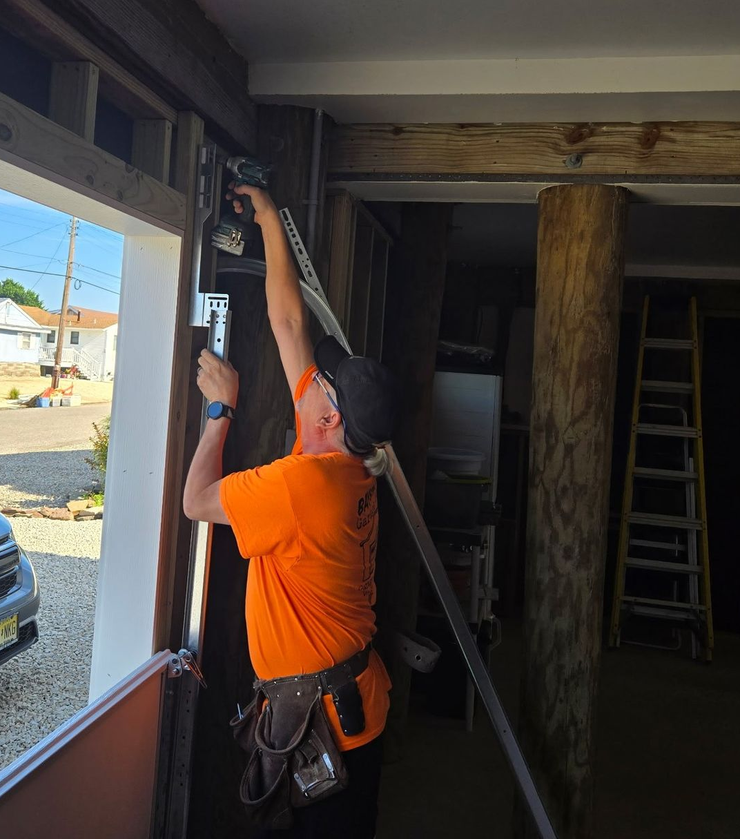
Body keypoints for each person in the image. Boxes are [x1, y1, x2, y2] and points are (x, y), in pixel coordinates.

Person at [183, 185, 398, 838]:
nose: (312, 377)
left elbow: (196, 501)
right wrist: (271, 218)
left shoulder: (303, 486)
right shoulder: (348, 457)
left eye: (323, 383)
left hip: (324, 733)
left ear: (328, 415)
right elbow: (288, 323)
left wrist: (221, 412)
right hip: (358, 704)